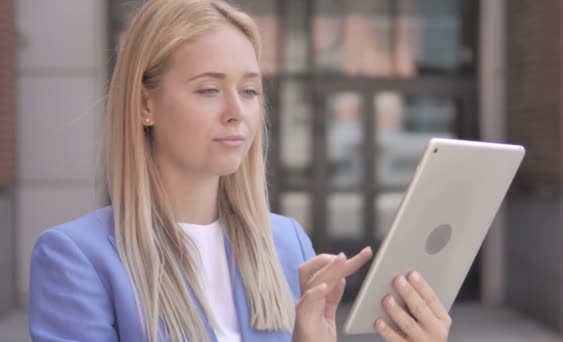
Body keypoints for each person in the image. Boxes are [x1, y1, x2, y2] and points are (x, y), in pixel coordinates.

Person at [29, 0, 452, 341]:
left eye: (249, 90)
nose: (237, 112)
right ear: (145, 105)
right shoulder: (77, 258)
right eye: (209, 89)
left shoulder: (288, 245)